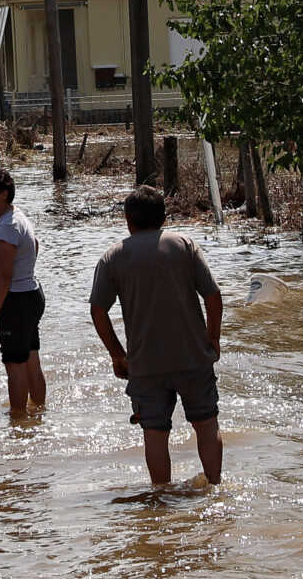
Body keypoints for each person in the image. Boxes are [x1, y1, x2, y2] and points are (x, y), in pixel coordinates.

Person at [88, 184, 226, 487]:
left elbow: (98, 310)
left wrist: (117, 354)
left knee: (155, 434)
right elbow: (213, 298)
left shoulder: (113, 258)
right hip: (192, 357)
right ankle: (215, 488)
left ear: (128, 219)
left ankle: (161, 499)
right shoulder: (185, 246)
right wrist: (212, 338)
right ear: (164, 217)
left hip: (146, 364)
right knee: (206, 425)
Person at [0, 165, 46, 417]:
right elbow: (34, 245)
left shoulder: (6, 227)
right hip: (30, 293)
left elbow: (4, 275)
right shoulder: (18, 216)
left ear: (4, 193)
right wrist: (25, 271)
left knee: (14, 366)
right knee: (30, 360)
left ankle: (18, 424)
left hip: (15, 300)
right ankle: (38, 414)